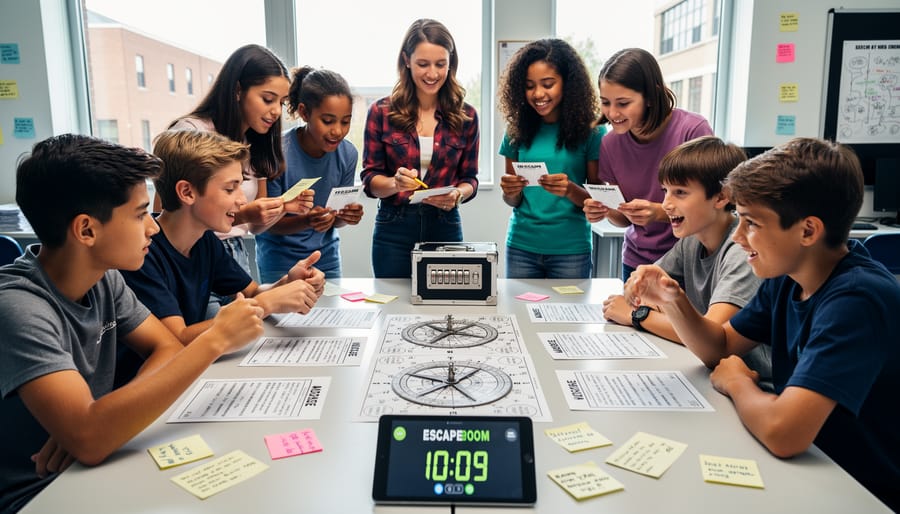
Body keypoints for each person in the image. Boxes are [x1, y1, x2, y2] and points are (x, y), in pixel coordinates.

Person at [629, 138, 900, 510]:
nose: (738, 237)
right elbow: (720, 347)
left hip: (861, 489)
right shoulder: (789, 276)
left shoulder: (857, 299)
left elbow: (783, 432)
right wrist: (674, 302)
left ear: (808, 231)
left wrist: (738, 382)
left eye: (752, 223)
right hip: (816, 467)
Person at [0, 135, 265, 513]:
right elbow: (90, 440)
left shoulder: (104, 278)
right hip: (39, 494)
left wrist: (100, 417)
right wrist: (216, 339)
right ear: (87, 230)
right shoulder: (18, 305)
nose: (152, 229)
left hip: (97, 463)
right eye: (141, 214)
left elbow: (167, 348)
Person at [121, 130, 324, 354]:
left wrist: (287, 283)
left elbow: (253, 292)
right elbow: (176, 340)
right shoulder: (144, 254)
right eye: (230, 188)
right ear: (187, 192)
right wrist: (266, 304)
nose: (242, 199)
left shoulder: (205, 240)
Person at [602, 136, 769, 385]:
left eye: (680, 193)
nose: (666, 204)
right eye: (665, 191)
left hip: (753, 381)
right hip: (710, 375)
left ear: (722, 197)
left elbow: (710, 337)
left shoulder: (741, 251)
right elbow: (641, 292)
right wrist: (651, 306)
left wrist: (639, 316)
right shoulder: (692, 240)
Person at [165, 44, 314, 310]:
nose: (277, 112)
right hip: (195, 256)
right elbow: (168, 217)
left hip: (235, 258)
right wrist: (246, 215)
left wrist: (281, 208)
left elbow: (253, 226)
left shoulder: (255, 141)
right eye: (268, 100)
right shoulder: (192, 133)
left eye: (281, 102)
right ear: (237, 90)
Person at [361, 18, 480, 278]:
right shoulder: (381, 112)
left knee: (445, 304)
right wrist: (395, 184)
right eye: (423, 64)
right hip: (393, 226)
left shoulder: (467, 116)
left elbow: (470, 178)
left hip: (445, 225)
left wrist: (458, 194)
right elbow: (370, 179)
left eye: (441, 64)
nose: (432, 74)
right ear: (406, 60)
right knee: (392, 304)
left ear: (451, 63)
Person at [583, 47, 713, 279]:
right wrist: (606, 209)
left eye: (623, 103)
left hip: (689, 262)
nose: (612, 113)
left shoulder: (693, 130)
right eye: (605, 102)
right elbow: (623, 220)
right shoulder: (610, 144)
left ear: (651, 97)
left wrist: (661, 213)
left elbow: (713, 207)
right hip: (637, 262)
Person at [497, 39, 605, 278]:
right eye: (529, 86)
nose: (538, 94)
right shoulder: (516, 130)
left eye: (548, 84)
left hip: (571, 249)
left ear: (568, 83)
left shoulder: (592, 131)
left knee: (566, 315)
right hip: (521, 246)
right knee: (519, 312)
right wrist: (511, 191)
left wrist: (570, 190)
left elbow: (598, 201)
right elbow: (512, 201)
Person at [256, 67, 363, 282]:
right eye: (328, 120)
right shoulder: (277, 151)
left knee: (332, 315)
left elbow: (335, 220)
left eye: (345, 121)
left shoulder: (348, 153)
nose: (338, 131)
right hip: (280, 262)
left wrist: (345, 216)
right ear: (304, 113)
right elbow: (267, 223)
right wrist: (307, 221)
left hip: (326, 259)